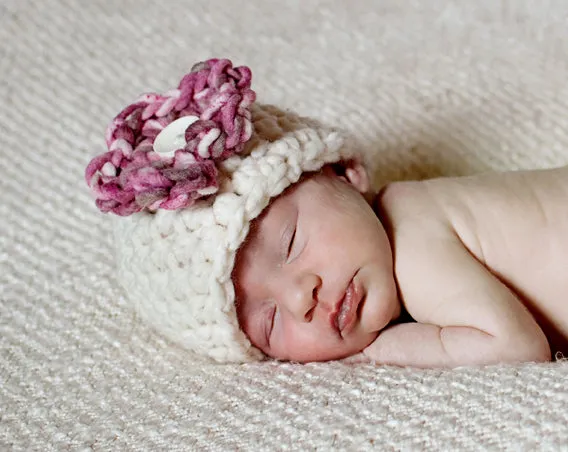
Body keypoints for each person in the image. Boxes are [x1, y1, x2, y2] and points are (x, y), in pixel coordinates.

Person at [86, 58, 567, 366]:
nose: (302, 298)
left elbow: (514, 346)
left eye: (292, 242)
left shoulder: (415, 227)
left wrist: (383, 350)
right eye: (270, 322)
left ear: (343, 174)